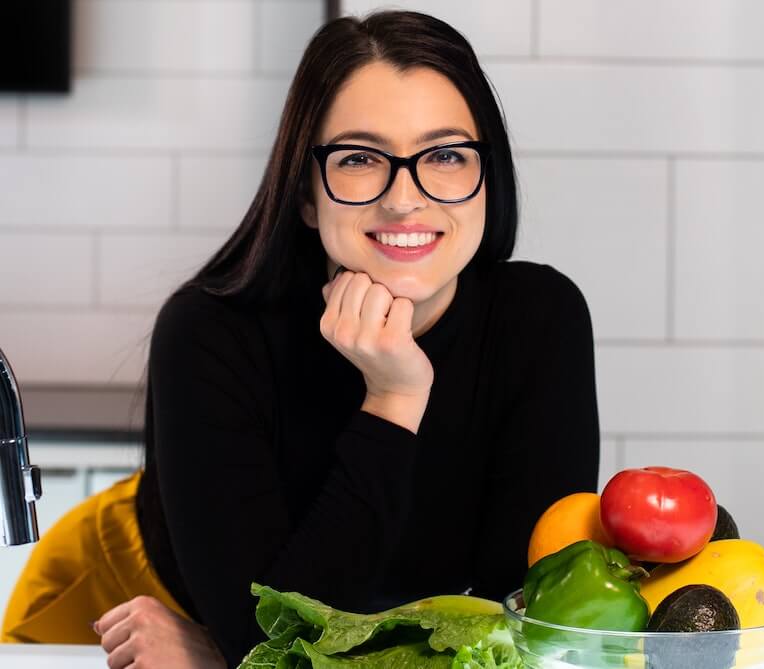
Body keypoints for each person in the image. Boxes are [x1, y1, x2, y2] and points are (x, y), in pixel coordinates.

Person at [1, 9, 600, 669]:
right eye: (360, 158)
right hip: (122, 608)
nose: (405, 197)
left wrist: (225, 655)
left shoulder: (542, 320)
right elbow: (271, 642)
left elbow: (514, 635)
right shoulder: (207, 333)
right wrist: (394, 399)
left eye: (447, 155)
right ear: (307, 193)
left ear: (488, 177)